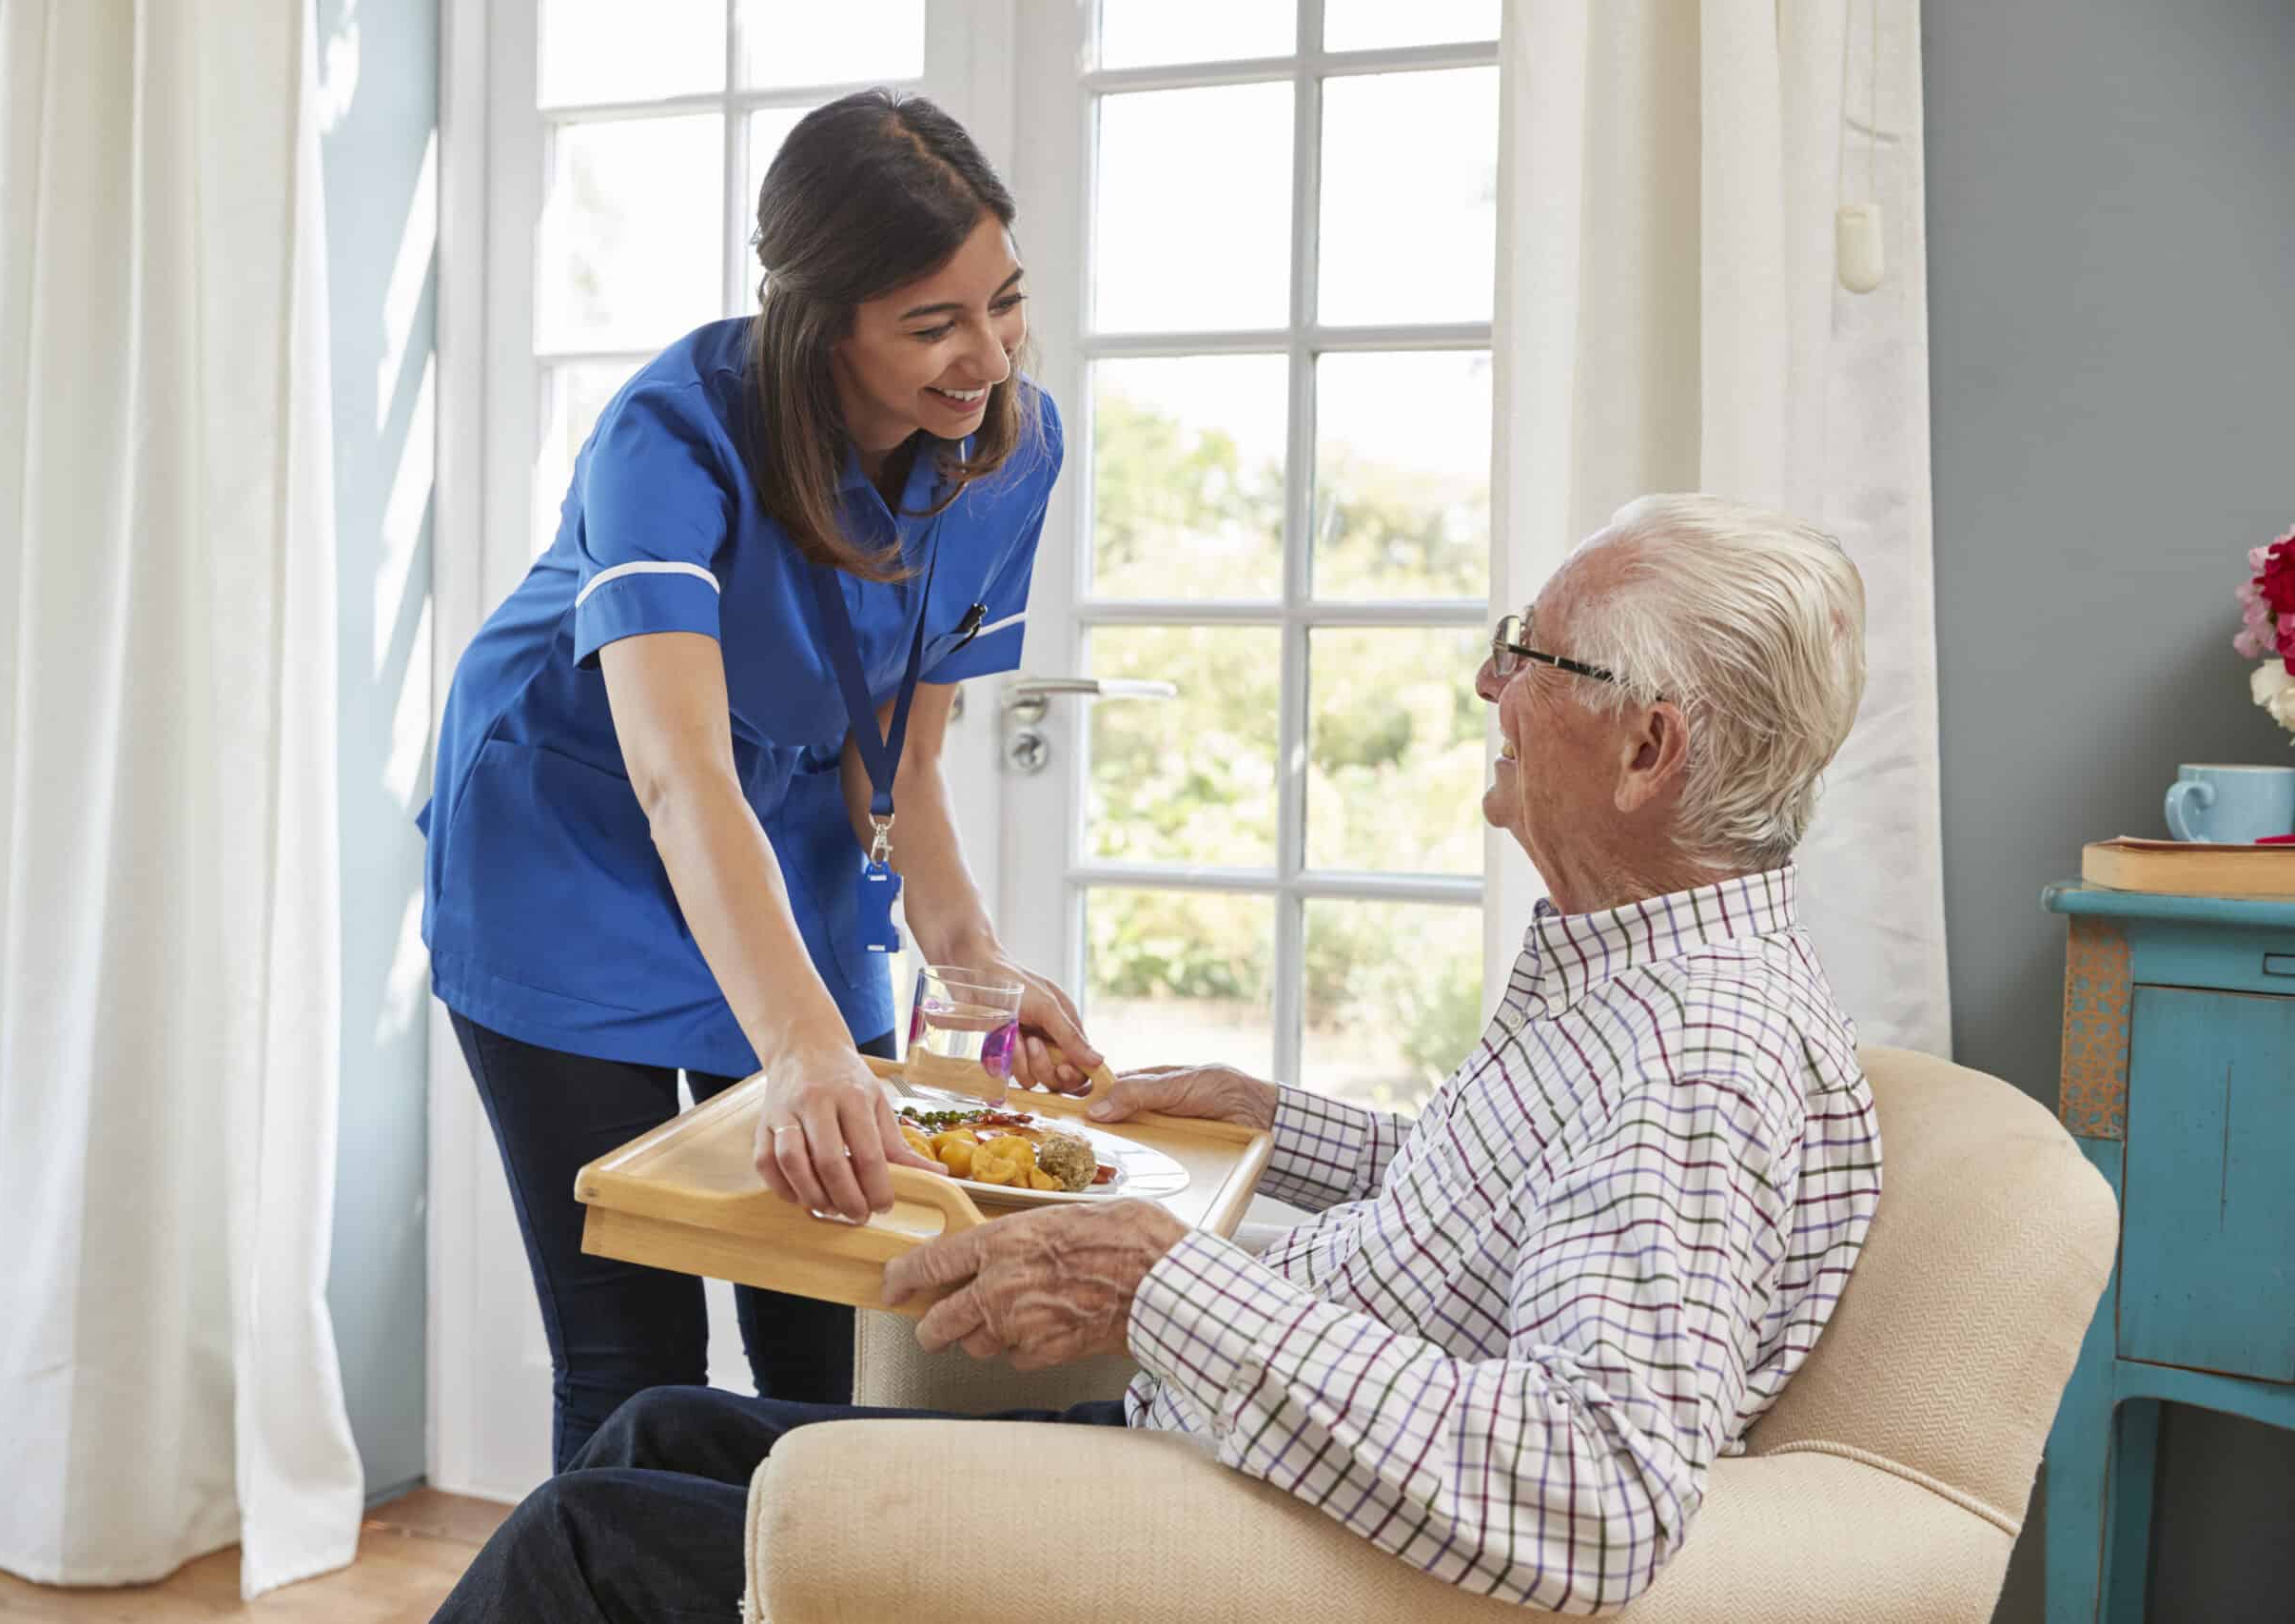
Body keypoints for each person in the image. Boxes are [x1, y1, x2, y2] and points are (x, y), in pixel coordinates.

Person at [427, 494, 1886, 1621]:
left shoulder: (1694, 1062)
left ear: (1649, 752)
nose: (1487, 681)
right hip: (1216, 1458)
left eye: (1532, 654)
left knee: (588, 1543)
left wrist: (1158, 1278)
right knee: (651, 1430)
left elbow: (1593, 1491)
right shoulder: (1644, 985)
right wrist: (1274, 1118)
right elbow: (1515, 1213)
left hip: (1240, 1536)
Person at [416, 89, 1104, 1470]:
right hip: (573, 830)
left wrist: (974, 965)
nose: (987, 357)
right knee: (631, 1349)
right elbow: (676, 779)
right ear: (823, 319)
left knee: (829, 1309)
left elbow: (898, 753)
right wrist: (800, 1045)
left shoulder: (1009, 450)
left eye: (1005, 302)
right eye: (933, 324)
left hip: (782, 825)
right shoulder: (671, 433)